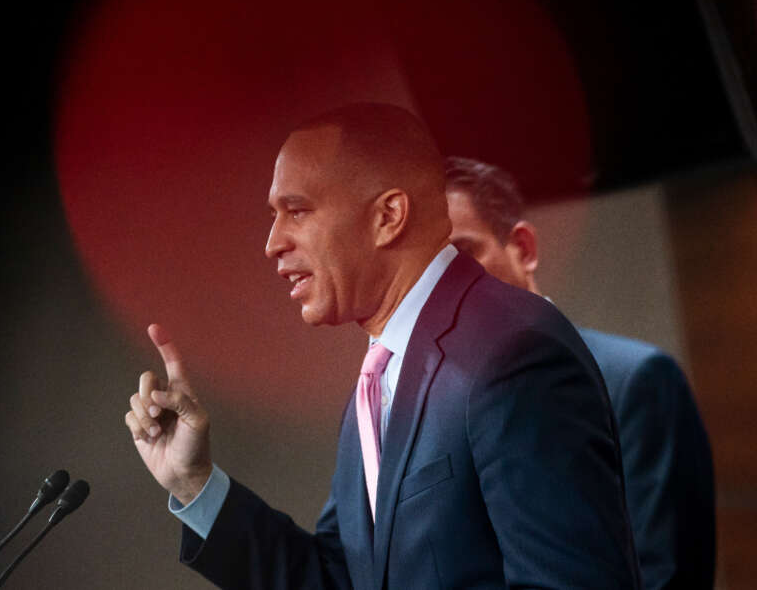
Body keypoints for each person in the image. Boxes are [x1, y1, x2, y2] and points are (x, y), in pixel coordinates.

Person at [124, 102, 640, 589]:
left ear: (388, 216)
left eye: (296, 210)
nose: (273, 242)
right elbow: (339, 580)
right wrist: (194, 484)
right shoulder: (380, 379)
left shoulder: (511, 351)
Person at [444, 156, 716, 589]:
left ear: (524, 249)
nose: (446, 284)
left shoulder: (636, 378)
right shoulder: (439, 410)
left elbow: (664, 573)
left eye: (463, 254)